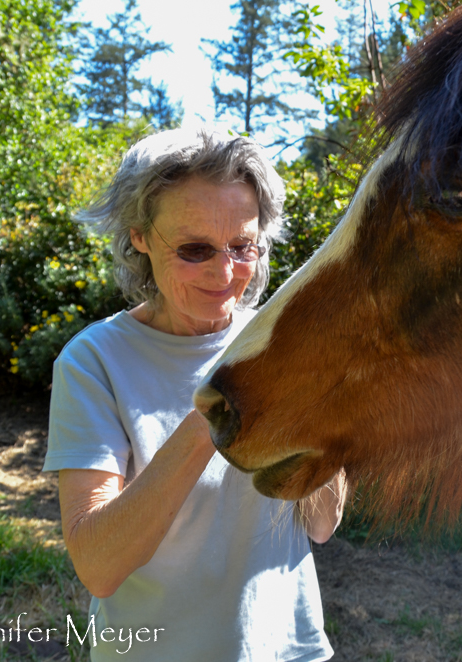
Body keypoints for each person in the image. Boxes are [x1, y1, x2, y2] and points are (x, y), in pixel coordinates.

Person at [42, 128, 346, 661]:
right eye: (194, 249)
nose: (225, 272)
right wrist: (215, 413)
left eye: (242, 246)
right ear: (139, 236)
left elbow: (322, 524)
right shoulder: (94, 362)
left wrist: (320, 407)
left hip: (287, 648)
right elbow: (98, 566)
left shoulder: (280, 345)